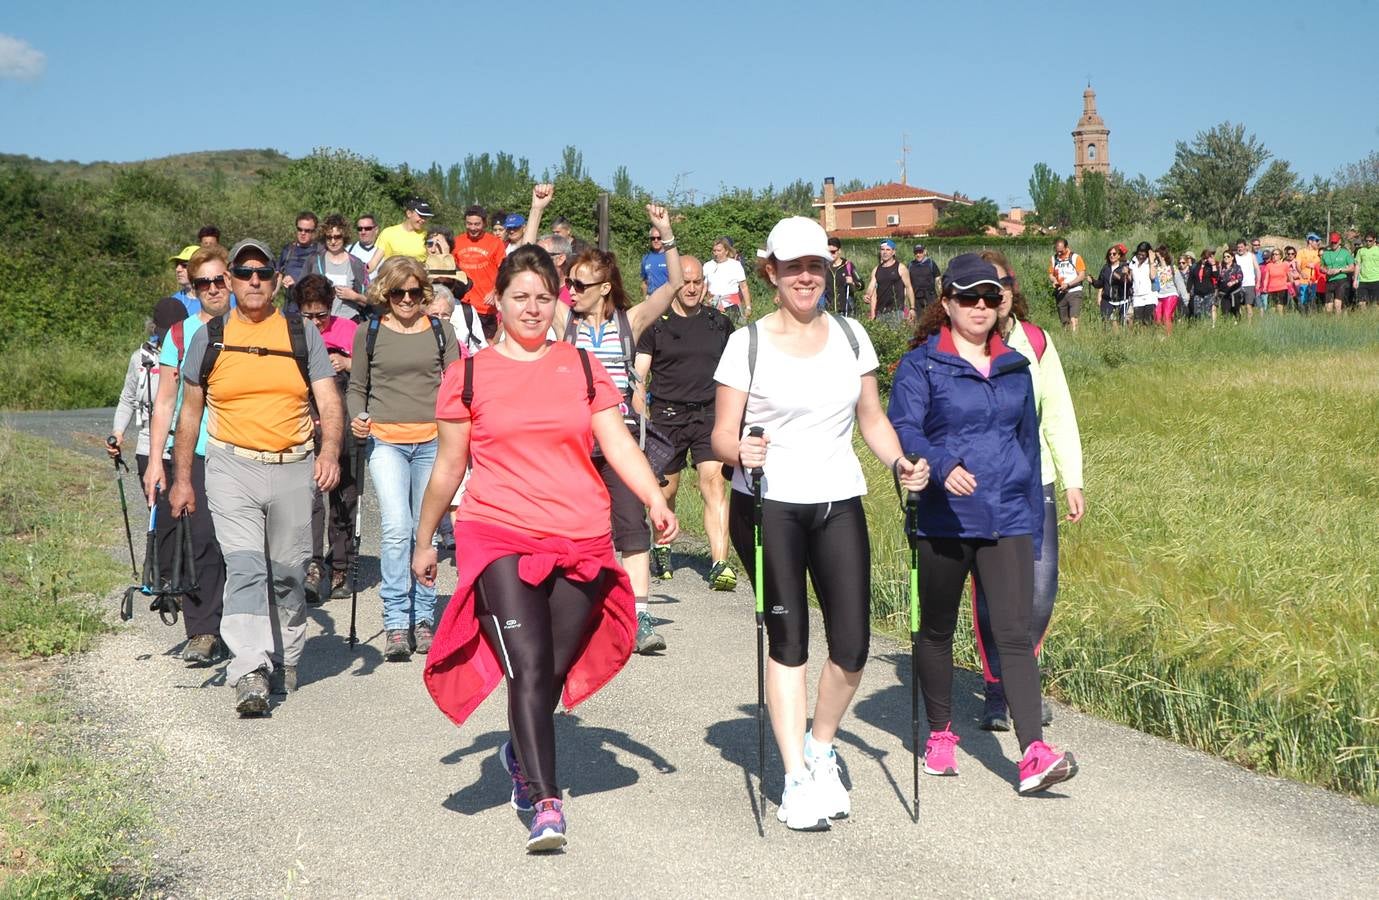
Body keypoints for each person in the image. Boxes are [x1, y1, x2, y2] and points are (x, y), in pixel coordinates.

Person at [413, 244, 678, 853]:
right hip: (498, 531)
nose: (531, 309)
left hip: (580, 533)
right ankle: (546, 801)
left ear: (556, 300)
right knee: (528, 666)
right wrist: (425, 538)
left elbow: (617, 444)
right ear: (497, 303)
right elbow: (451, 464)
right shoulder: (470, 374)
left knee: (551, 667)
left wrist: (655, 500)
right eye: (518, 298)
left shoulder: (583, 367)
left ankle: (517, 750)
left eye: (542, 297)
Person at [711, 216, 928, 831]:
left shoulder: (853, 335)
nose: (805, 277)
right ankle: (795, 778)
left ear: (827, 271)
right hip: (769, 504)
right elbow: (722, 435)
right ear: (771, 273)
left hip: (837, 499)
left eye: (816, 266)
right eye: (793, 267)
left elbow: (873, 419)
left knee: (854, 647)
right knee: (790, 643)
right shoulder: (745, 343)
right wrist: (738, 453)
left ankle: (821, 745)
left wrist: (901, 461)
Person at [888, 252, 1077, 795]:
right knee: (938, 630)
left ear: (1002, 304)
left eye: (989, 297)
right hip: (946, 520)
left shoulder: (1018, 368)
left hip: (1009, 517)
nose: (979, 306)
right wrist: (942, 467)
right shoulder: (921, 364)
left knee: (1013, 633)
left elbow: (1027, 446)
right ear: (946, 302)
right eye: (967, 296)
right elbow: (906, 427)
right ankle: (942, 733)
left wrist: (1032, 523)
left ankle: (1033, 753)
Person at [169, 238, 343, 715]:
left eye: (262, 273)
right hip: (230, 467)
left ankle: (286, 654)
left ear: (274, 279)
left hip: (292, 466)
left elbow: (328, 399)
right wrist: (183, 479)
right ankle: (249, 667)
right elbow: (189, 414)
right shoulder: (210, 337)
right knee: (245, 568)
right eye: (243, 273)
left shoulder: (301, 333)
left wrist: (329, 451)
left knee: (288, 573)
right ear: (228, 280)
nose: (253, 281)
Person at [971, 250, 1086, 732]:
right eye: (980, 289)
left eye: (999, 286)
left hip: (1035, 485)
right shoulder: (959, 345)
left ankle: (1020, 671)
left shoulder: (1035, 342)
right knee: (992, 594)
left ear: (1012, 291)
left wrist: (1072, 477)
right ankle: (1002, 689)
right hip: (981, 490)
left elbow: (1056, 410)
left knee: (1040, 591)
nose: (991, 297)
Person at [564, 204, 684, 653]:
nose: (570, 290)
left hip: (622, 442)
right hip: (574, 443)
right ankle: (584, 612)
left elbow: (673, 285)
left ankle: (640, 618)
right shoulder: (564, 325)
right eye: (569, 282)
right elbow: (524, 262)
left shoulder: (628, 324)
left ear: (604, 288)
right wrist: (536, 211)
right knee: (579, 529)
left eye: (580, 284)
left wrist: (666, 232)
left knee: (633, 530)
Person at [346, 257, 459, 660]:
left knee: (423, 532)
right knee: (397, 527)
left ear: (424, 292)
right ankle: (396, 620)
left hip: (433, 442)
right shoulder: (368, 332)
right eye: (398, 292)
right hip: (386, 442)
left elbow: (457, 387)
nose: (407, 300)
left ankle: (424, 617)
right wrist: (356, 416)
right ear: (385, 293)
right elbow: (357, 387)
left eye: (414, 292)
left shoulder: (441, 331)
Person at [143, 247, 235, 667]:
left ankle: (240, 624)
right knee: (199, 540)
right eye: (205, 283)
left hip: (241, 449)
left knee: (239, 543)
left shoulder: (246, 328)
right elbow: (165, 402)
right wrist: (156, 462)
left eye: (220, 280)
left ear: (230, 281)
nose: (214, 289)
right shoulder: (178, 335)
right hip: (194, 451)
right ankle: (202, 630)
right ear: (193, 289)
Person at [634, 254, 736, 590]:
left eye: (697, 283)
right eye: (686, 282)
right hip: (666, 416)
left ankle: (720, 563)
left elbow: (736, 373)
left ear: (704, 286)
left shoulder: (718, 323)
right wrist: (642, 417)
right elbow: (639, 375)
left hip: (708, 414)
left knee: (714, 484)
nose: (691, 288)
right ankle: (662, 547)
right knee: (668, 489)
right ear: (675, 285)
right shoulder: (656, 325)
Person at [294, 275, 360, 602]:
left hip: (344, 423)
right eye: (309, 315)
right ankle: (312, 565)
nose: (317, 322)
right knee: (311, 497)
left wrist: (347, 361)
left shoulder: (349, 331)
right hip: (305, 421)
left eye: (322, 314)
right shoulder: (292, 334)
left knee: (344, 496)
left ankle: (342, 566)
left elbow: (371, 371)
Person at [453, 204, 507, 339]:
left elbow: (505, 270)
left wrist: (495, 290)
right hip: (463, 305)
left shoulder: (495, 243)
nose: (472, 228)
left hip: (485, 306)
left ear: (484, 223)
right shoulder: (457, 242)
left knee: (485, 348)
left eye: (477, 224)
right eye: (469, 224)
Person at [303, 214, 369, 320]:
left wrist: (354, 296)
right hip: (319, 321)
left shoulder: (356, 264)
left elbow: (370, 300)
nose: (333, 242)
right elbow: (301, 292)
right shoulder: (314, 260)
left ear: (344, 237)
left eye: (337, 237)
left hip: (349, 320)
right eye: (329, 237)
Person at [369, 199, 434, 274]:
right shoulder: (389, 233)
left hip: (418, 282)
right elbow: (373, 263)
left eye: (425, 217)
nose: (423, 220)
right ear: (409, 213)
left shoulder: (428, 236)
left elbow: (433, 261)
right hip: (393, 281)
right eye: (421, 216)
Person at [865, 239, 915, 324]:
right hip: (880, 312)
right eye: (882, 249)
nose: (885, 252)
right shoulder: (876, 270)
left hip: (896, 311)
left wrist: (912, 308)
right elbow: (871, 287)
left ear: (893, 252)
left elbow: (909, 288)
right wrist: (867, 295)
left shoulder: (901, 268)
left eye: (888, 249)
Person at [703, 237, 752, 323]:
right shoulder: (708, 266)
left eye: (719, 250)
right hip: (712, 305)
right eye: (714, 251)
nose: (716, 253)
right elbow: (704, 287)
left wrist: (748, 307)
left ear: (726, 251)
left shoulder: (735, 265)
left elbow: (744, 287)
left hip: (731, 305)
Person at [1044, 238, 1085, 332]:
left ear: (1067, 247)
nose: (1059, 254)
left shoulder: (1075, 257)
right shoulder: (1054, 259)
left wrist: (1069, 284)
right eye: (1057, 251)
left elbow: (1082, 275)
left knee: (1074, 317)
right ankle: (1067, 337)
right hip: (1060, 292)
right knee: (1064, 320)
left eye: (1061, 251)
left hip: (1074, 291)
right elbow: (1051, 274)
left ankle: (1075, 338)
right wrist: (1054, 281)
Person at [278, 211, 321, 290]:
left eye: (307, 230)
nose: (303, 233)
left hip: (311, 300)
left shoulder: (321, 252)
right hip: (290, 300)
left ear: (314, 231)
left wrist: (297, 282)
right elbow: (279, 274)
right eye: (299, 229)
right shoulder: (288, 250)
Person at [1092, 244, 1132, 326]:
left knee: (1122, 322)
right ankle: (1113, 337)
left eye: (1114, 254)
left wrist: (1122, 276)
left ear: (1119, 255)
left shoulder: (1124, 267)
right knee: (1107, 320)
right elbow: (1100, 283)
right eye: (1110, 254)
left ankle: (1123, 337)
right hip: (1107, 300)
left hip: (1121, 299)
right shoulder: (1105, 268)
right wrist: (1092, 281)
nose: (1111, 256)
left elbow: (1128, 283)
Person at [823, 237, 861, 315]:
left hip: (846, 310)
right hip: (830, 311)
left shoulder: (848, 266)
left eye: (833, 252)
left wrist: (853, 283)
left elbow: (861, 285)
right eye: (828, 252)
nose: (830, 254)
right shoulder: (825, 267)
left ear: (839, 251)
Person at [1319, 232, 1355, 314]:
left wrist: (1339, 270)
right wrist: (1325, 270)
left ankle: (1338, 322)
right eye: (1332, 242)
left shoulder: (1345, 253)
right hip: (1329, 281)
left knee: (1337, 305)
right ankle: (1329, 324)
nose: (1333, 244)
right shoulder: (1326, 253)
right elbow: (1321, 267)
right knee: (1328, 308)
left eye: (1335, 242)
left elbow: (1352, 268)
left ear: (1339, 241)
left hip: (1341, 280)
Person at [1153, 244, 1182, 333]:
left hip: (1170, 294)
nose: (1157, 259)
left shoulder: (1173, 268)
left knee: (1166, 316)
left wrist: (1185, 298)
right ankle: (1160, 336)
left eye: (1158, 257)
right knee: (1157, 318)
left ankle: (1168, 337)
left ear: (1164, 256)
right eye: (1156, 257)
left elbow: (1180, 283)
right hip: (1158, 295)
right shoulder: (1155, 269)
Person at [1127, 241, 1158, 326]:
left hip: (1149, 295)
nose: (1140, 257)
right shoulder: (1133, 262)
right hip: (1137, 295)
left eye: (1143, 255)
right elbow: (1131, 279)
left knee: (1148, 321)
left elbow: (1153, 276)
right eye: (1139, 254)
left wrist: (1151, 261)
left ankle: (1148, 337)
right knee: (1138, 321)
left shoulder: (1152, 262)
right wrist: (1127, 273)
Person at [909, 243, 941, 313]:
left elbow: (938, 280)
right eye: (916, 252)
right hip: (916, 298)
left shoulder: (931, 263)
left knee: (932, 319)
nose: (918, 255)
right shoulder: (910, 265)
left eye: (920, 252)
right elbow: (907, 284)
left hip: (931, 297)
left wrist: (940, 295)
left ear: (925, 252)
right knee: (919, 321)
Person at [169, 245, 202, 315]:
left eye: (184, 265)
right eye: (176, 265)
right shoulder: (173, 302)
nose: (178, 269)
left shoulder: (220, 298)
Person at [1189, 249, 1219, 323]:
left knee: (1207, 311)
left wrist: (1213, 264)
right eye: (1204, 258)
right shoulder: (1195, 266)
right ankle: (1199, 325)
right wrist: (1188, 289)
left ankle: (1207, 326)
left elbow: (1216, 276)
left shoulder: (1210, 266)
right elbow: (1191, 278)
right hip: (1197, 292)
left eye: (1207, 258)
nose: (1205, 260)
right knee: (1197, 312)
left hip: (1208, 292)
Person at [1295, 233, 1323, 312]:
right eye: (1316, 241)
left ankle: (1312, 315)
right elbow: (1298, 265)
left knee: (1313, 300)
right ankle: (1304, 316)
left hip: (1315, 281)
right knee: (1304, 300)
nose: (1318, 242)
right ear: (1310, 241)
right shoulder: (1301, 252)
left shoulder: (1318, 252)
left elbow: (1323, 264)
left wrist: (1315, 265)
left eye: (1319, 241)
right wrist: (1301, 273)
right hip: (1304, 280)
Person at [1234, 238, 1261, 320]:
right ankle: (1240, 321)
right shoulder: (1235, 257)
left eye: (1241, 247)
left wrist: (1258, 282)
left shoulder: (1251, 256)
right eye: (1238, 247)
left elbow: (1257, 269)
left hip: (1249, 284)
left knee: (1248, 305)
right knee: (1239, 305)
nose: (1240, 249)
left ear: (1245, 247)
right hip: (1238, 285)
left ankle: (1249, 324)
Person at [1259, 248, 1291, 312]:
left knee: (1280, 308)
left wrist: (1291, 287)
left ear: (1280, 256)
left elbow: (1289, 277)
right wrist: (1265, 287)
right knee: (1272, 309)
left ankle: (1281, 321)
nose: (1274, 256)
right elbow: (1266, 278)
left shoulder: (1285, 265)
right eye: (1273, 254)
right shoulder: (1269, 265)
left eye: (1276, 254)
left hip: (1282, 289)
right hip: (1271, 289)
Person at [641, 226, 669, 299]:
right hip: (651, 297)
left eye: (659, 238)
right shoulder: (646, 258)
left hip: (667, 297)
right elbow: (644, 282)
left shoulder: (669, 257)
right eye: (653, 238)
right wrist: (644, 299)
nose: (656, 240)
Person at [1217, 249, 1244, 319]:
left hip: (1234, 292)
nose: (1226, 258)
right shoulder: (1221, 268)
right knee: (1225, 313)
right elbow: (1218, 280)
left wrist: (1233, 282)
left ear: (1232, 257)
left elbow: (1240, 277)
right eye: (1224, 256)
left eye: (1228, 256)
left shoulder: (1236, 267)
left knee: (1235, 311)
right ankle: (1227, 326)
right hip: (1224, 293)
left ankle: (1238, 323)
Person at [1354, 233, 1379, 308]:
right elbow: (1357, 265)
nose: (1368, 242)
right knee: (1361, 304)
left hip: (1376, 279)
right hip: (1363, 280)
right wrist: (1355, 279)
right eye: (1366, 241)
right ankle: (1364, 318)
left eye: (1370, 241)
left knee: (1375, 304)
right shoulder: (1361, 251)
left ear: (1374, 240)